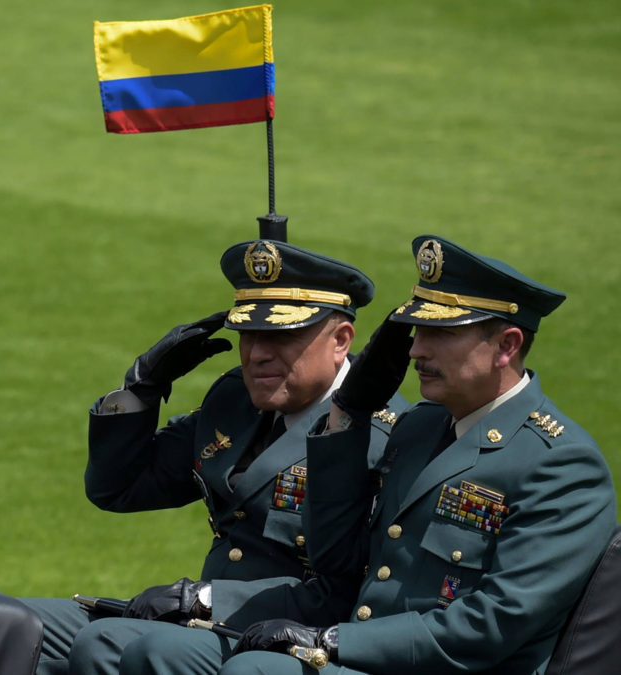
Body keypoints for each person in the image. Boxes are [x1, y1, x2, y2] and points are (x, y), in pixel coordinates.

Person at [213, 236, 617, 675]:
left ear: (506, 346)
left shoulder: (561, 464)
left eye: (441, 334)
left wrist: (334, 641)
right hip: (364, 655)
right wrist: (345, 416)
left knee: (251, 671)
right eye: (418, 330)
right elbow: (336, 559)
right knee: (167, 650)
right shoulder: (419, 426)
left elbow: (494, 623)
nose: (415, 350)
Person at [23, 240, 407, 675]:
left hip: (284, 635)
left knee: (107, 643)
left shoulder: (380, 436)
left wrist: (206, 599)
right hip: (196, 619)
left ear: (340, 341)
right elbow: (118, 488)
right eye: (248, 334)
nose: (257, 354)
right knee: (10, 624)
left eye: (281, 336)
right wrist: (140, 390)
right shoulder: (235, 398)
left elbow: (350, 588)